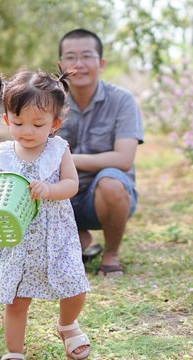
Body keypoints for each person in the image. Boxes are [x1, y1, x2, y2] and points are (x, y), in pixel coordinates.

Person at [0, 69, 91, 360]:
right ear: (6, 120)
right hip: (15, 238)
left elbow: (72, 185)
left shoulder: (58, 149)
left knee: (75, 287)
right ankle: (14, 352)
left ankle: (67, 325)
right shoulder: (2, 152)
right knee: (16, 299)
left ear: (55, 124)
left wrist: (50, 189)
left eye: (37, 124)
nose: (27, 131)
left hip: (55, 236)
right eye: (18, 122)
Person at [57, 28, 144, 277]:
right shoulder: (46, 100)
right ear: (60, 64)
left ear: (101, 63)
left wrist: (67, 159)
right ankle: (80, 240)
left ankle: (111, 254)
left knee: (111, 181)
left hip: (101, 199)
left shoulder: (122, 101)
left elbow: (124, 159)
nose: (79, 64)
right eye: (70, 57)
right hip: (57, 197)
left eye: (87, 56)